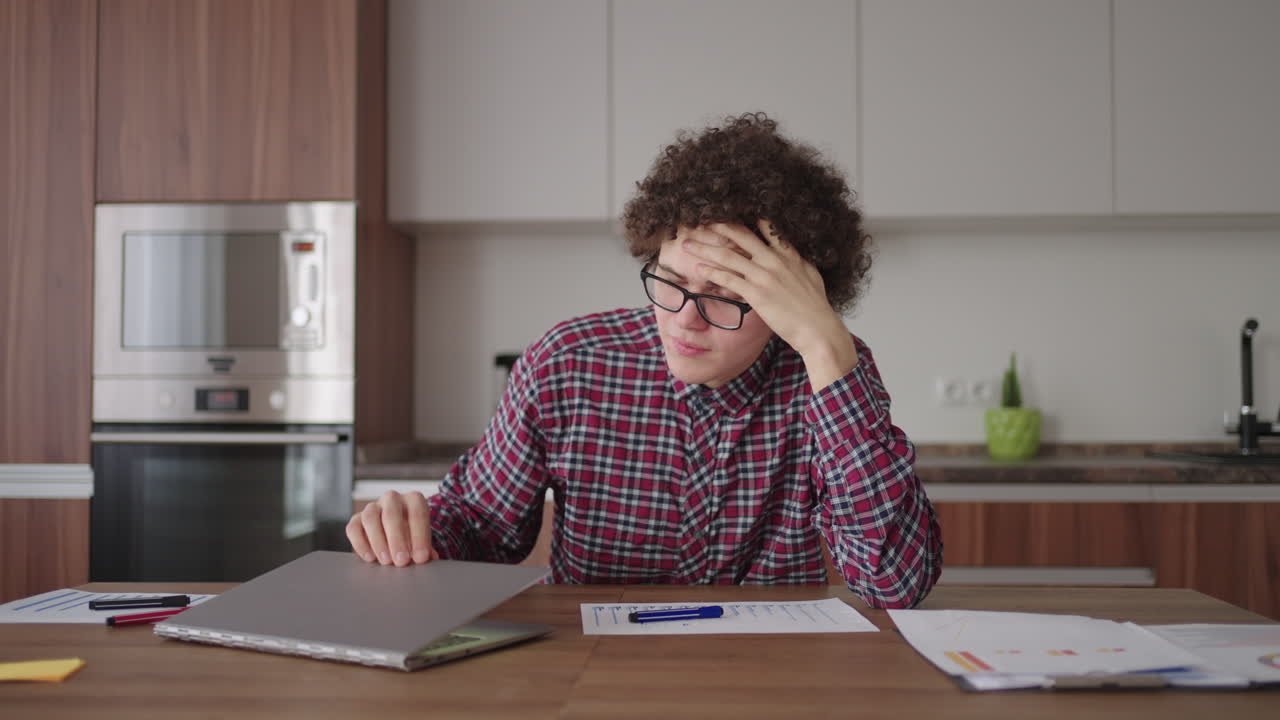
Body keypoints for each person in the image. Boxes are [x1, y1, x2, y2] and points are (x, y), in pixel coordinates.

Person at [348, 112, 942, 608]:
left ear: (791, 305)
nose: (685, 319)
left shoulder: (825, 375)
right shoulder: (569, 363)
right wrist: (412, 530)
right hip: (594, 682)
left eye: (728, 299)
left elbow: (896, 583)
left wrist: (827, 347)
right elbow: (482, 529)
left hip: (768, 682)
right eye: (670, 280)